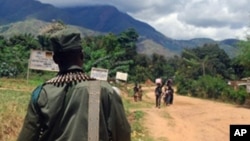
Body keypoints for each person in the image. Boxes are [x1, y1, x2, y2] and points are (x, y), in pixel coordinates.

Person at [17, 33, 131, 141]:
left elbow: (27, 137)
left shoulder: (41, 93)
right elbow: (123, 134)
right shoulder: (104, 91)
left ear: (55, 59)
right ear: (82, 56)